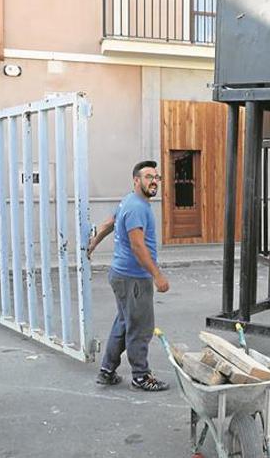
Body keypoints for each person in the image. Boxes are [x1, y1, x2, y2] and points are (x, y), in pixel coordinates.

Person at [88, 160, 171, 391]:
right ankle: (141, 376)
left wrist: (93, 243)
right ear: (136, 181)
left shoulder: (129, 201)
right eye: (148, 177)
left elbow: (109, 223)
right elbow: (137, 246)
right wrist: (157, 275)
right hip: (133, 278)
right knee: (140, 328)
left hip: (122, 275)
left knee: (124, 324)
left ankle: (107, 371)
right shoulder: (137, 207)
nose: (154, 181)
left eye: (156, 177)